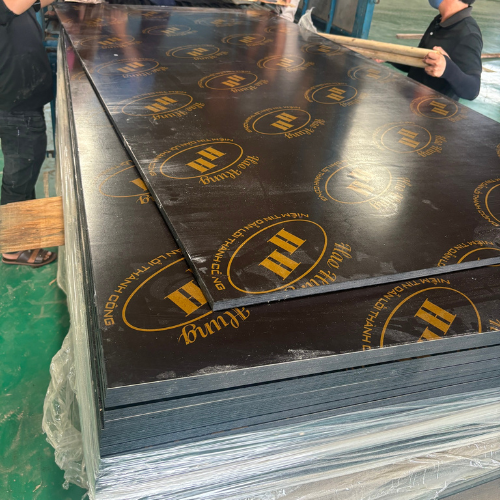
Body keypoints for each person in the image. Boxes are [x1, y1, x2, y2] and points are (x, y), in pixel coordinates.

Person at [0, 0, 57, 267]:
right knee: (19, 176)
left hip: (19, 101)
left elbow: (32, 4)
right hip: (15, 106)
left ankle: (22, 236)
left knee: (24, 170)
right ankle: (14, 247)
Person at [396, 0, 482, 101]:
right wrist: (388, 56)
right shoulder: (439, 21)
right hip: (410, 102)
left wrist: (448, 69)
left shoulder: (468, 34)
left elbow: (472, 90)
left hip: (432, 108)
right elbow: (420, 65)